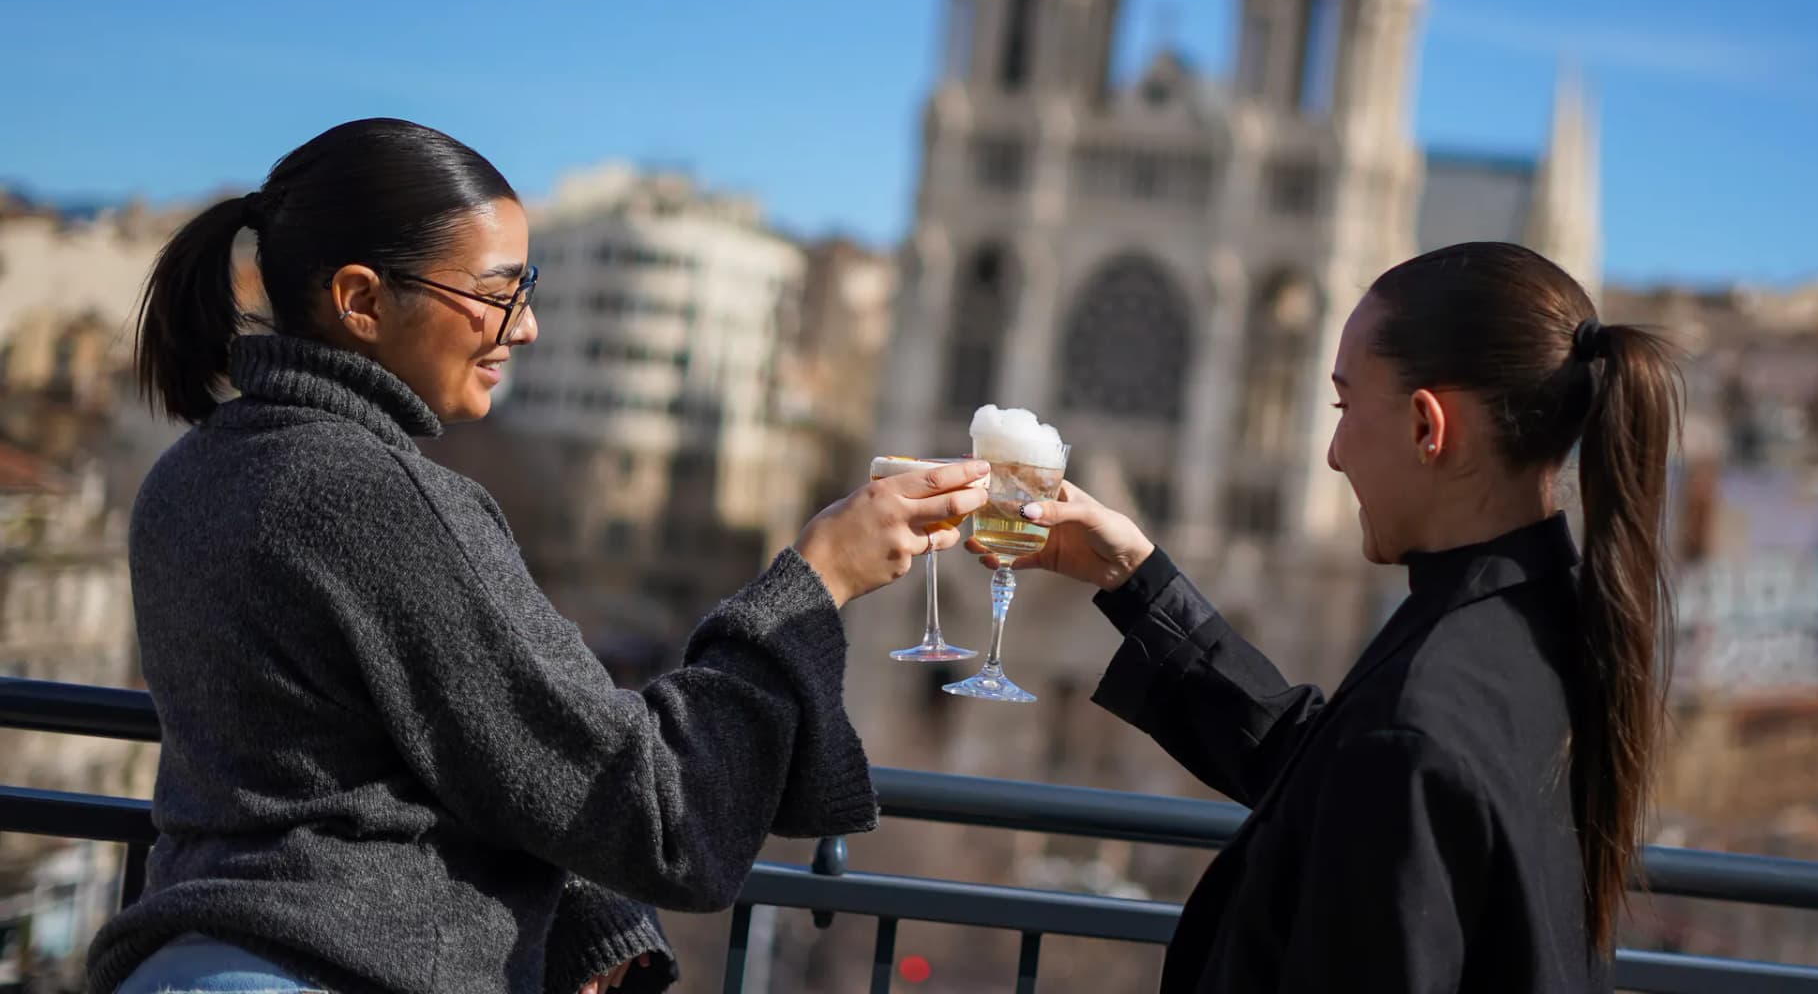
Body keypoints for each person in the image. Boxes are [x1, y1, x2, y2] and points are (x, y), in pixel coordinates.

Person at [90, 119, 990, 994]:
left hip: (189, 956)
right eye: (497, 292)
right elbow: (659, 811)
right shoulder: (380, 500)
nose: (525, 329)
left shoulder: (190, 471)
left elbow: (408, 760)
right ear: (362, 300)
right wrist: (817, 579)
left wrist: (579, 909)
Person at [976, 242, 1681, 993]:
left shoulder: (1425, 711)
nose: (1335, 454)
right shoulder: (1542, 625)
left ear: (1426, 427)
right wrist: (1137, 582)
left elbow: (1381, 773)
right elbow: (1331, 777)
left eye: (1344, 408)